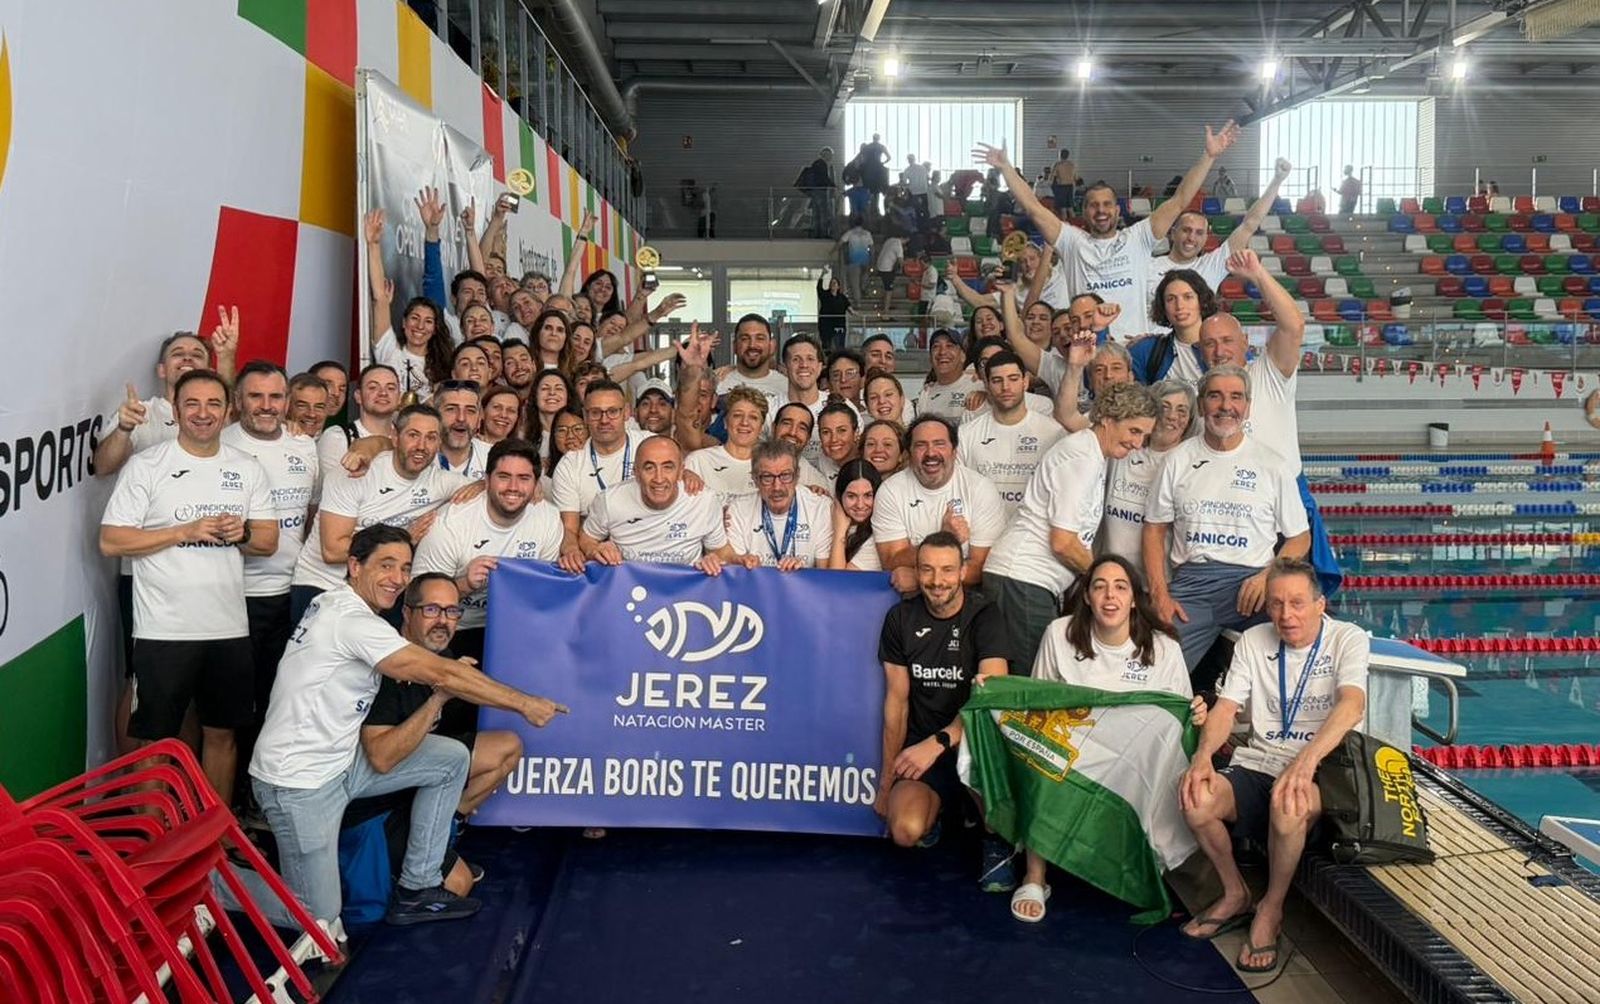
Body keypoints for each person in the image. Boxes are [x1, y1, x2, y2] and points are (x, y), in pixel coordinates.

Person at [251, 524, 567, 927]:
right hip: (299, 782)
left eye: (404, 568)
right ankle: (212, 887)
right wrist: (525, 704)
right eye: (386, 565)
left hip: (342, 765)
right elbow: (446, 675)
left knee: (451, 758)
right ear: (354, 566)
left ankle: (417, 887)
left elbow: (439, 654)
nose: (397, 578)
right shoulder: (351, 621)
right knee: (319, 924)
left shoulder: (344, 606)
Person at [1179, 557, 1368, 973]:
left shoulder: (1347, 639)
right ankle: (1234, 893)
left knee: (1290, 805)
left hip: (1321, 769)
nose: (1287, 614)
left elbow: (1352, 704)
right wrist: (1202, 757)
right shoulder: (1254, 641)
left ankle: (1272, 906)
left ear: (1321, 604)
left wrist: (1304, 762)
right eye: (1277, 604)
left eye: (1298, 603)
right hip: (1258, 762)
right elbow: (1226, 708)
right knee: (1196, 797)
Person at [100, 368, 278, 806]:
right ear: (175, 410)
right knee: (154, 745)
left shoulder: (246, 468)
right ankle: (153, 845)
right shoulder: (147, 466)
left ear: (228, 410)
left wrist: (240, 534)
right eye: (192, 404)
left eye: (213, 404)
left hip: (228, 629)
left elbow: (268, 542)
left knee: (222, 736)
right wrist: (182, 531)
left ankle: (212, 843)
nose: (203, 413)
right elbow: (111, 540)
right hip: (164, 630)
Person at [1012, 554, 1202, 922]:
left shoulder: (1164, 648)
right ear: (1086, 596)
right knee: (1036, 752)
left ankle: (1150, 870)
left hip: (1136, 762)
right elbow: (1038, 701)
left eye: (1120, 587)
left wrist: (1198, 712)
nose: (1109, 596)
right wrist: (994, 693)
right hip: (1075, 754)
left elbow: (1178, 720)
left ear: (1135, 598)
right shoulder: (1060, 634)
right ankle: (1035, 876)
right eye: (1099, 587)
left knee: (1171, 760)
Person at [975, 121, 1243, 340]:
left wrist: (1208, 156)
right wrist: (1006, 168)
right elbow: (1033, 208)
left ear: (1117, 210)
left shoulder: (1139, 237)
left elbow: (1181, 199)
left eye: (1107, 204)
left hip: (1136, 347)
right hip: (1088, 348)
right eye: (1093, 205)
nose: (1101, 210)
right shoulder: (1071, 241)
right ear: (1084, 211)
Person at [1143, 365, 1310, 686]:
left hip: (1255, 586)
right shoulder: (1178, 460)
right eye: (1215, 396)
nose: (1225, 406)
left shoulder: (1272, 465)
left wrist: (1268, 576)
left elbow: (1299, 538)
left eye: (1235, 397)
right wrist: (1160, 595)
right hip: (1194, 586)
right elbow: (1154, 529)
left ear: (1247, 405)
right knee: (1155, 673)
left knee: (1291, 672)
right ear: (1202, 404)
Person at [356, 573, 521, 894]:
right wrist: (439, 697)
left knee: (507, 747)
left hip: (420, 783)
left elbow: (479, 690)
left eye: (452, 611)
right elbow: (381, 758)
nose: (443, 621)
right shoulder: (388, 663)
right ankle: (410, 875)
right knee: (457, 885)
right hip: (377, 800)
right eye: (431, 610)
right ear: (407, 613)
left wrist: (528, 704)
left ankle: (443, 829)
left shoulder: (442, 656)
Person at [982, 382, 1158, 677]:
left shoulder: (1092, 453)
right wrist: (1108, 579)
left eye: (1145, 436)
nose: (1138, 444)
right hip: (1023, 579)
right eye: (1134, 431)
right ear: (1108, 418)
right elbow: (1063, 542)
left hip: (1029, 582)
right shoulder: (1082, 458)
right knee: (1029, 686)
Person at [875, 532, 1011, 886]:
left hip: (974, 745)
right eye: (928, 571)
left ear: (963, 571)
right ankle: (942, 812)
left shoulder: (986, 614)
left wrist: (939, 741)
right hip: (925, 751)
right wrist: (887, 781)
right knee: (904, 831)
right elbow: (896, 704)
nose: (938, 581)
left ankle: (995, 839)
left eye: (948, 570)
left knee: (989, 769)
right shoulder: (899, 618)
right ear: (916, 572)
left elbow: (991, 698)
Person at [221, 361, 319, 776]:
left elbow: (311, 515)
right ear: (239, 400)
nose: (266, 405)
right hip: (230, 597)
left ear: (287, 402)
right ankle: (235, 796)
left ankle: (264, 794)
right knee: (231, 709)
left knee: (280, 700)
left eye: (275, 397)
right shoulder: (220, 444)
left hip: (290, 595)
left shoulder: (304, 446)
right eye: (256, 396)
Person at [291, 403, 469, 624]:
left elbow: (495, 490)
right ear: (395, 436)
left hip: (379, 591)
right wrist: (404, 538)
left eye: (431, 438)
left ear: (439, 444)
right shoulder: (357, 472)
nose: (421, 446)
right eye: (413, 435)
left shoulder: (439, 481)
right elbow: (333, 549)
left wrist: (481, 486)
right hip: (323, 585)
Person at [413, 438, 563, 664]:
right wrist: (465, 584)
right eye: (503, 477)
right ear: (486, 480)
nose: (513, 487)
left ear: (536, 484)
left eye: (524, 478)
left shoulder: (548, 518)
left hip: (512, 629)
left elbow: (542, 592)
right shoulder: (450, 521)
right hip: (455, 628)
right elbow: (418, 600)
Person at [1141, 158, 1292, 345]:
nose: (1191, 238)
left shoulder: (1212, 265)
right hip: (1154, 353)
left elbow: (1250, 224)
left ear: (1205, 238)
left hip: (1196, 352)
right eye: (1186, 230)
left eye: (1199, 233)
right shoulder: (1147, 266)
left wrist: (1277, 180)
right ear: (1173, 233)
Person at [561, 436, 737, 573]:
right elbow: (587, 538)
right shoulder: (610, 500)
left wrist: (714, 559)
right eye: (649, 468)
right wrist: (595, 550)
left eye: (668, 467)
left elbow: (720, 551)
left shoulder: (704, 502)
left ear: (681, 471)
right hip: (630, 594)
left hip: (685, 597)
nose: (659, 479)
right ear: (636, 472)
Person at [873, 415, 1006, 595]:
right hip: (911, 601)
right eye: (921, 445)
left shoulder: (980, 488)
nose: (931, 453)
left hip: (966, 595)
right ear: (909, 453)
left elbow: (983, 567)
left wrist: (922, 578)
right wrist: (944, 536)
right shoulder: (890, 491)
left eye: (939, 444)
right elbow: (892, 561)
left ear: (954, 452)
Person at [94, 322, 239, 478]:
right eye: (177, 354)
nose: (187, 358)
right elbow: (103, 467)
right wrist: (124, 429)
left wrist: (226, 359)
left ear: (209, 371)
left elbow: (234, 415)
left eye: (197, 355)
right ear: (161, 370)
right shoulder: (141, 413)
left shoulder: (218, 414)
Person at [956, 349, 1065, 520]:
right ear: (987, 386)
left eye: (1013, 379)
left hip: (1032, 539)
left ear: (1025, 382)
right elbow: (958, 490)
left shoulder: (1053, 432)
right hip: (983, 536)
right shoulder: (966, 434)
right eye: (997, 380)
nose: (1005, 387)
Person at [1099, 379, 1197, 565]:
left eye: (1182, 411)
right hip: (1114, 578)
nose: (1171, 416)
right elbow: (1069, 417)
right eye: (1164, 406)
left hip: (1160, 582)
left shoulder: (1189, 466)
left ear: (1189, 420)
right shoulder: (1124, 450)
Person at [550, 380, 636, 543]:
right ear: (585, 416)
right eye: (595, 412)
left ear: (626, 412)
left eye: (613, 411)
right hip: (595, 551)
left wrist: (687, 474)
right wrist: (573, 552)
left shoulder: (650, 446)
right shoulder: (570, 464)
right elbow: (569, 529)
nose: (604, 420)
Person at [727, 440, 834, 569]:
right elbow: (736, 572)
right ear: (755, 479)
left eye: (785, 475)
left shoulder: (821, 507)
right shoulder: (737, 510)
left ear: (797, 476)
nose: (777, 487)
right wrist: (747, 564)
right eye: (767, 477)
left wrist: (802, 574)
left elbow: (825, 574)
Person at [316, 363, 400, 502]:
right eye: (373, 387)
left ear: (399, 398)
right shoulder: (338, 437)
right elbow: (337, 495)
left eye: (391, 388)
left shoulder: (409, 437)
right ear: (358, 396)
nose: (383, 393)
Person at [717, 314, 789, 402]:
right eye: (745, 339)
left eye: (760, 338)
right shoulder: (718, 383)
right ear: (734, 346)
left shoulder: (786, 386)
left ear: (772, 345)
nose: (752, 345)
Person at [916, 330, 984, 420]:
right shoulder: (926, 393)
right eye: (936, 347)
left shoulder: (979, 386)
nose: (942, 352)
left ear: (963, 356)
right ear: (930, 359)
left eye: (949, 346)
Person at [831, 459, 884, 571]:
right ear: (840, 495)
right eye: (851, 496)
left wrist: (839, 532)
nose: (860, 505)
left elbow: (838, 579)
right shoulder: (826, 514)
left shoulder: (879, 533)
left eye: (868, 495)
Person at [435, 380, 490, 477]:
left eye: (470, 411)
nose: (461, 418)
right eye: (451, 409)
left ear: (479, 419)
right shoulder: (418, 457)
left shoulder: (495, 459)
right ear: (435, 416)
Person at [815, 402, 860, 483]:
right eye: (826, 432)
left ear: (856, 433)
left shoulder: (869, 461)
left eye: (841, 430)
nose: (834, 439)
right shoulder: (821, 461)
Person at [800, 146, 837, 239]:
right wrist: (834, 185)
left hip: (814, 191)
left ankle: (816, 233)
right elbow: (824, 178)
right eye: (830, 155)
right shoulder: (822, 164)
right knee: (823, 213)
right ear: (826, 154)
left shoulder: (815, 164)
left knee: (816, 213)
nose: (831, 157)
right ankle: (824, 233)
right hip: (821, 191)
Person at [839, 216, 875, 305]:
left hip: (854, 261)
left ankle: (858, 302)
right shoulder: (867, 233)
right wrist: (872, 258)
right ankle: (863, 287)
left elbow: (840, 242)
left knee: (855, 283)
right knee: (864, 276)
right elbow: (872, 247)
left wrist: (832, 251)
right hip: (865, 260)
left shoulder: (850, 233)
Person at [288, 373, 332, 439]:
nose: (311, 414)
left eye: (319, 407)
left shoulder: (330, 440)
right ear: (287, 406)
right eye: (302, 406)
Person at [817, 271, 852, 352]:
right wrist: (822, 274)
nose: (833, 284)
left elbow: (849, 308)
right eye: (831, 283)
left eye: (835, 283)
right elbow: (819, 288)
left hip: (839, 325)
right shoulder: (825, 295)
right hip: (826, 325)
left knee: (839, 347)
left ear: (838, 286)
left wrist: (857, 314)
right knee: (827, 346)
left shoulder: (842, 297)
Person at [875, 234, 905, 312]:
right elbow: (901, 261)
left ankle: (885, 305)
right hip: (886, 269)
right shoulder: (898, 244)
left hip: (880, 266)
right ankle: (886, 309)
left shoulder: (890, 239)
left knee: (886, 288)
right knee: (889, 290)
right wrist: (903, 270)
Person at [1049, 149, 1078, 218]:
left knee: (1063, 208)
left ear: (1060, 155)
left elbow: (1052, 177)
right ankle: (1076, 224)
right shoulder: (1072, 165)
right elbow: (1076, 177)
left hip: (1061, 187)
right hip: (1070, 186)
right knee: (1070, 208)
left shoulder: (1057, 165)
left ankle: (1065, 226)